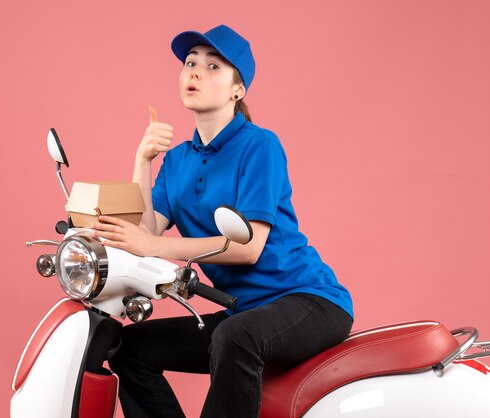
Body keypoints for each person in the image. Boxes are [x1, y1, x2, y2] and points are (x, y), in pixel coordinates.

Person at [92, 24, 354, 418]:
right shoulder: (177, 160)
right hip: (244, 312)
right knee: (130, 347)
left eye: (213, 67)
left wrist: (155, 246)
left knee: (236, 335)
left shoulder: (260, 145)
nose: (195, 71)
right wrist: (142, 160)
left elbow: (248, 249)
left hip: (310, 301)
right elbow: (146, 234)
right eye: (191, 63)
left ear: (238, 90)